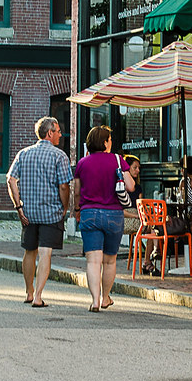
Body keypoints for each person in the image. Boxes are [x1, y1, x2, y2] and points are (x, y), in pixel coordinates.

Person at [6, 117, 73, 308]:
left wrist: (19, 207)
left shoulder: (23, 154)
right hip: (51, 212)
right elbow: (63, 186)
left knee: (29, 251)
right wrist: (65, 207)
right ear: (49, 133)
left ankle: (28, 292)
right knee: (45, 253)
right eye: (58, 131)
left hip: (28, 212)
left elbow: (11, 180)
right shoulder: (59, 156)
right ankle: (39, 296)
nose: (61, 134)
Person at [73, 125, 135, 312]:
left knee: (93, 260)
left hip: (89, 213)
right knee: (109, 260)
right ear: (106, 142)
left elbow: (76, 192)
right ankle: (106, 296)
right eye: (109, 139)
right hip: (114, 214)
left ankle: (94, 300)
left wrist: (76, 210)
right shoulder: (118, 160)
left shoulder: (83, 163)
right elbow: (131, 186)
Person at [121, 154, 142, 242]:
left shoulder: (138, 187)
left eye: (138, 168)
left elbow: (141, 206)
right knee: (154, 228)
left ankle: (153, 253)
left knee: (155, 227)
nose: (138, 170)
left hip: (136, 218)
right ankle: (154, 252)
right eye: (135, 167)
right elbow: (120, 210)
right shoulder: (120, 188)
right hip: (124, 219)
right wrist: (135, 216)